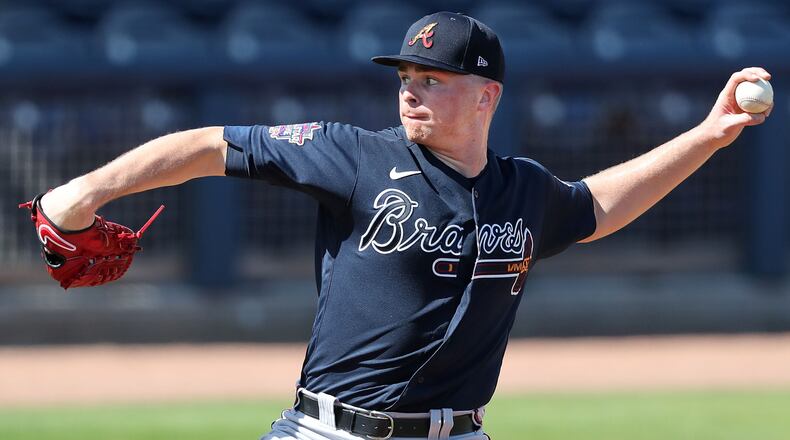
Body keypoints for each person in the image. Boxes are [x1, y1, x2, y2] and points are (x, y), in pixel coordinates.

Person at [34, 11, 772, 440]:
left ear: (487, 97)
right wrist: (86, 191)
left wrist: (709, 135)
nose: (411, 93)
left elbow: (596, 205)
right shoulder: (352, 156)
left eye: (433, 81)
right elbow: (204, 146)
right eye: (405, 80)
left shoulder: (524, 192)